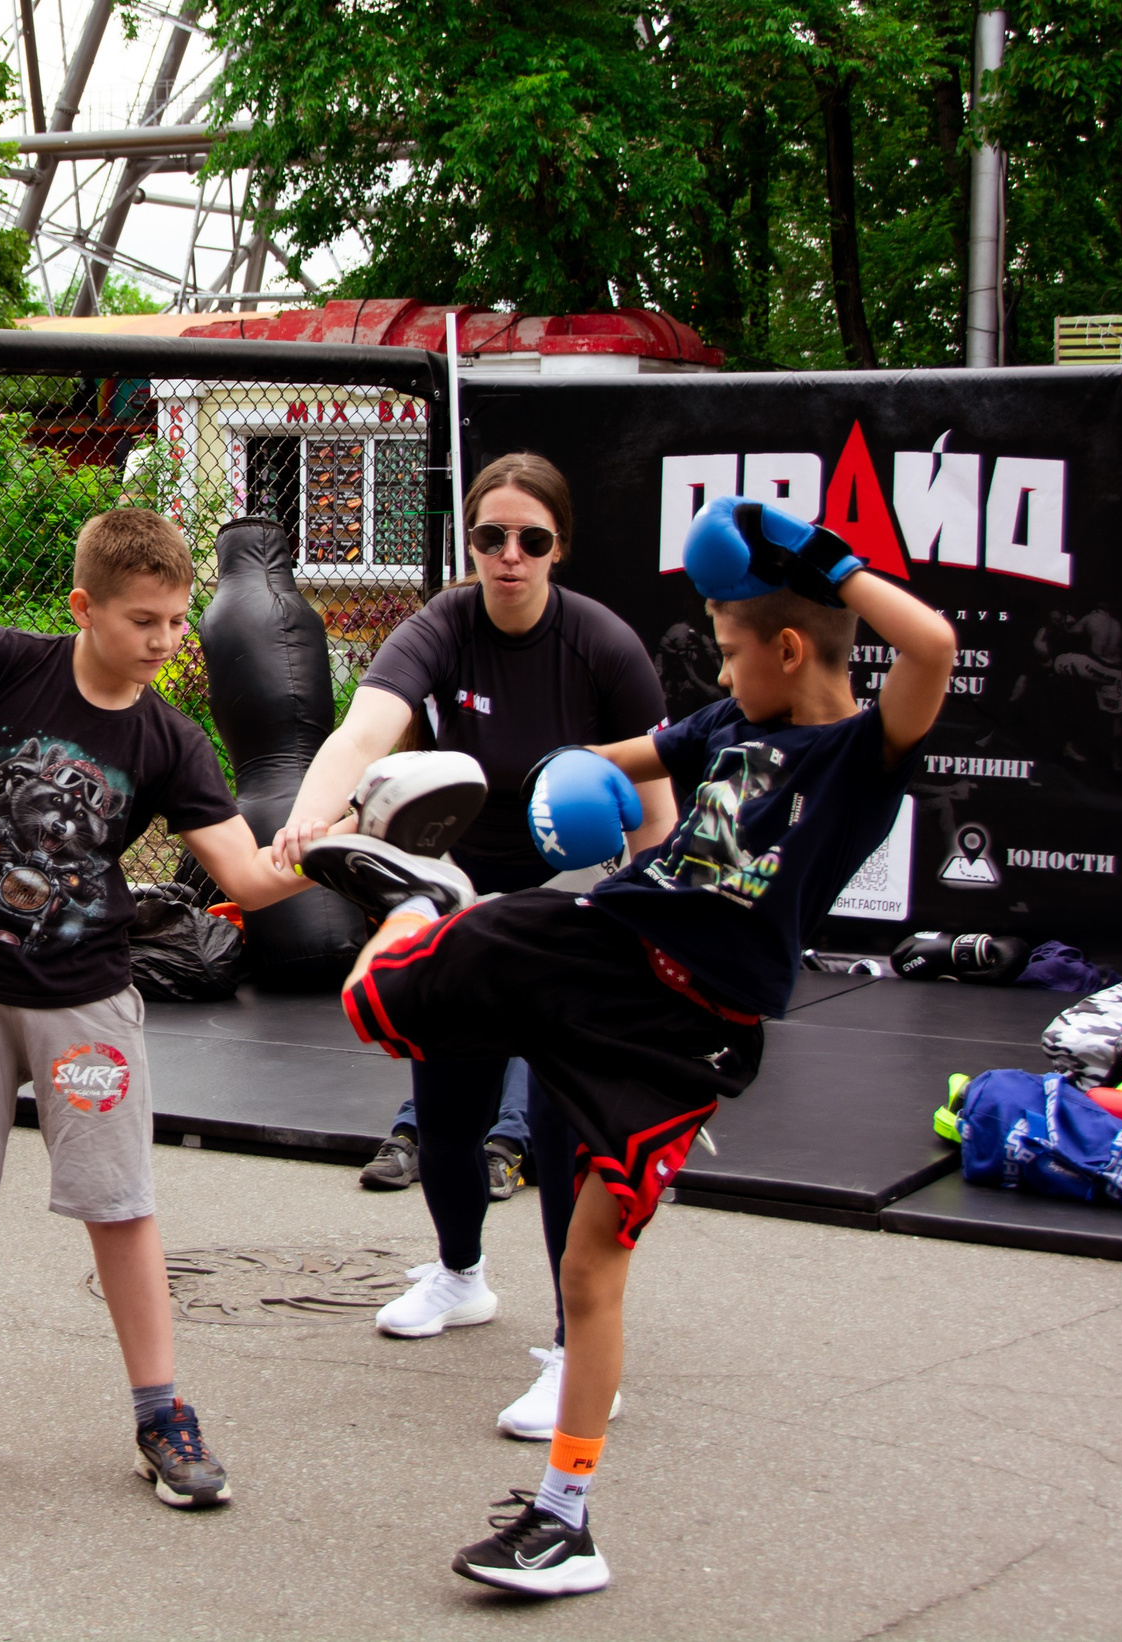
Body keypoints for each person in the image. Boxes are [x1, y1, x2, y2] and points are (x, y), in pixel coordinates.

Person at [302, 494, 956, 1596]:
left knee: (592, 1264)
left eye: (733, 648)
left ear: (788, 647)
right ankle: (421, 906)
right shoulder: (722, 728)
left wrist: (809, 551)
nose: (719, 671)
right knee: (381, 1002)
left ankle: (565, 1519)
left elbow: (927, 643)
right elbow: (606, 756)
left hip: (690, 1033)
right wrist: (570, 778)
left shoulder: (855, 758)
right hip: (606, 944)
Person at [0, 506, 314, 1509]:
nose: (164, 641)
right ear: (83, 606)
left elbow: (238, 872)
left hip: (84, 1004)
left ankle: (160, 1415)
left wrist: (316, 858)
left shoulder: (168, 739)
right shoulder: (10, 664)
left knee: (120, 1206)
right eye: (143, 619)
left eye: (178, 620)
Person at [270, 452, 675, 1439]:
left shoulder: (603, 646)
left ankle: (584, 1356)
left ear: (558, 548)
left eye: (529, 539)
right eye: (489, 536)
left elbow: (659, 816)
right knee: (447, 1114)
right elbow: (365, 733)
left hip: (572, 910)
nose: (507, 554)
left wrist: (642, 926)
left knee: (560, 1137)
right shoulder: (439, 629)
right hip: (457, 900)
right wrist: (306, 816)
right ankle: (459, 1275)